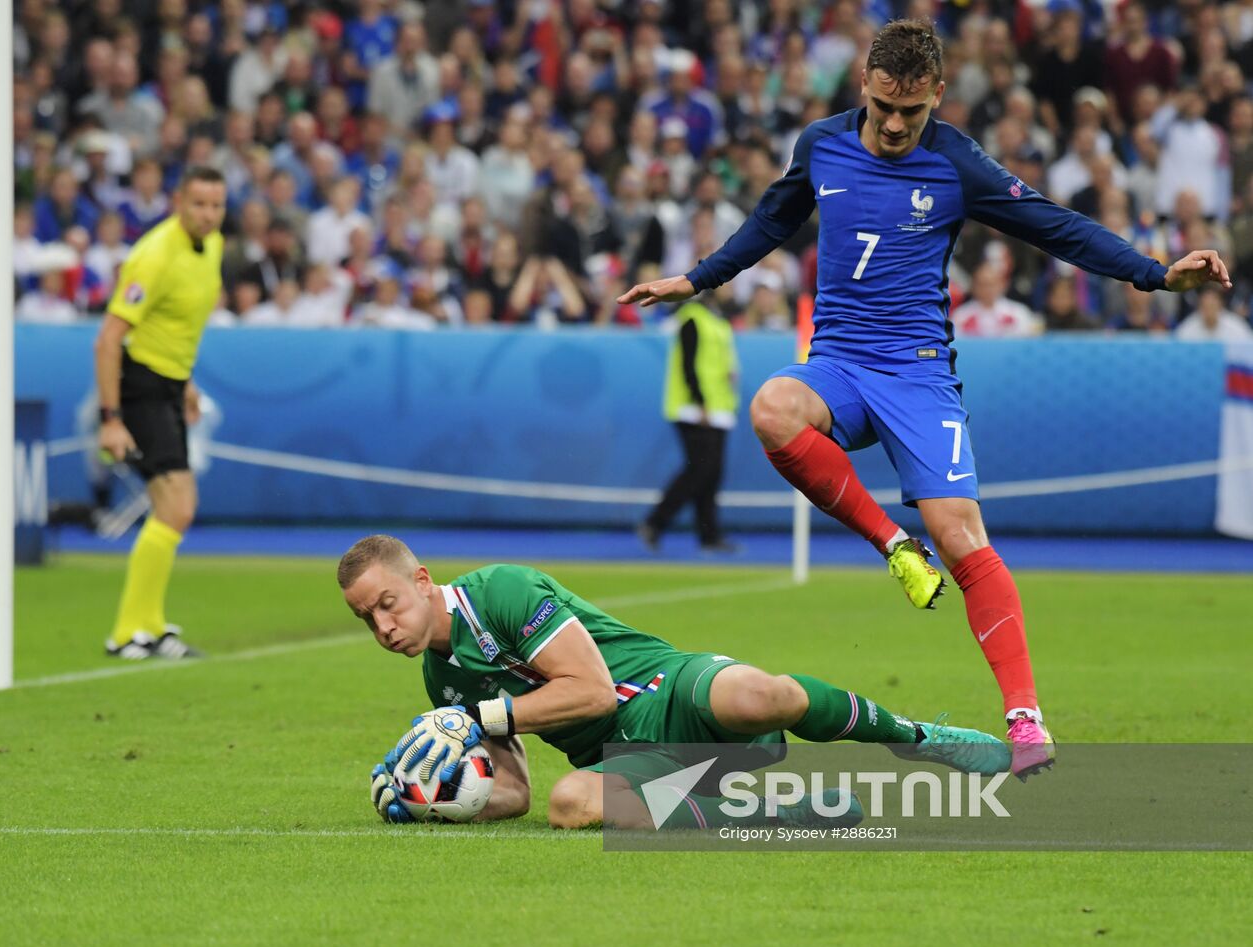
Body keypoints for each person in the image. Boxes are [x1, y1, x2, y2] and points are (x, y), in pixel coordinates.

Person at [617, 19, 1232, 778]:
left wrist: (1155, 274)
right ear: (864, 89)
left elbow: (1054, 226)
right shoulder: (821, 145)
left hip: (915, 374)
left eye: (912, 110)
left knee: (964, 537)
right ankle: (893, 546)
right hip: (838, 364)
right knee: (772, 407)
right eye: (883, 108)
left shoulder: (956, 162)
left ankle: (1026, 720)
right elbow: (772, 220)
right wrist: (698, 278)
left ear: (937, 94)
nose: (897, 124)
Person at [340, 535, 1010, 829]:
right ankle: (779, 810)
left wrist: (480, 721)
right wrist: (430, 800)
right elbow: (515, 792)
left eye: (387, 602)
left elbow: (595, 691)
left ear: (421, 579)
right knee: (572, 804)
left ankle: (917, 736)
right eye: (366, 617)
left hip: (671, 687)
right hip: (636, 761)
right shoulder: (442, 680)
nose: (381, 625)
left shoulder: (502, 590)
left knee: (760, 695)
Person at [95, 166, 226, 660]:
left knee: (172, 509)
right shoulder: (152, 256)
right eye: (199, 204)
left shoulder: (212, 247)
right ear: (177, 202)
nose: (208, 214)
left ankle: (148, 625)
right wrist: (111, 417)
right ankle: (127, 631)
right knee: (177, 506)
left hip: (170, 384)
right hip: (141, 386)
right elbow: (108, 339)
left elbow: (176, 326)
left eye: (217, 205)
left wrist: (186, 383)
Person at [638, 291, 740, 554]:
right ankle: (655, 522)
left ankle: (708, 535)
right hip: (696, 409)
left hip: (718, 407)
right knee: (699, 471)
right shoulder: (692, 319)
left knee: (711, 474)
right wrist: (699, 401)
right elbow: (689, 364)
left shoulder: (717, 320)